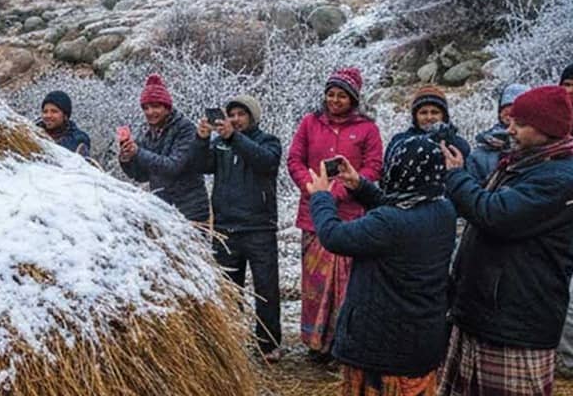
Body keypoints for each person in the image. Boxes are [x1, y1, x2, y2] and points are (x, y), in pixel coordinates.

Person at [440, 85, 573, 396]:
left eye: (520, 124)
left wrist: (456, 176)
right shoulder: (530, 161)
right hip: (491, 312)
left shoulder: (560, 179)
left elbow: (495, 214)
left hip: (516, 322)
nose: (510, 129)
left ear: (547, 128)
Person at [307, 134, 455, 396]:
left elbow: (333, 236)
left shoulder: (388, 223)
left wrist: (321, 197)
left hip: (381, 349)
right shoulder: (443, 211)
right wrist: (360, 185)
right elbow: (402, 208)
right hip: (420, 344)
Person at [286, 67, 384, 363]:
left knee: (347, 284)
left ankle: (343, 342)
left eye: (342, 96)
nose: (335, 100)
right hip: (313, 216)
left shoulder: (367, 129)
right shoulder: (309, 123)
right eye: (331, 94)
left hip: (350, 217)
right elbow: (294, 159)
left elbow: (373, 167)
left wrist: (339, 191)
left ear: (353, 98)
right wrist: (312, 188)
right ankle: (316, 343)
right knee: (315, 282)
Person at [194, 94, 284, 360]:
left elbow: (265, 162)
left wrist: (234, 137)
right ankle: (232, 343)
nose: (234, 119)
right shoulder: (220, 144)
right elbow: (201, 166)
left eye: (240, 114)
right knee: (228, 289)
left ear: (252, 117)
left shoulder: (269, 142)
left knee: (266, 288)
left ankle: (269, 344)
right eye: (231, 115)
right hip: (225, 227)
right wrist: (200, 140)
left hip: (259, 227)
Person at [118, 73, 208, 223]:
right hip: (163, 209)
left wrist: (138, 152)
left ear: (167, 108)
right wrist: (126, 159)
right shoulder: (147, 134)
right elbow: (141, 176)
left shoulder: (185, 129)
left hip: (191, 211)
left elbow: (173, 166)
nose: (150, 112)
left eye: (155, 106)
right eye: (146, 108)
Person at [387, 84, 471, 168]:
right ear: (415, 117)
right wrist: (430, 140)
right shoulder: (400, 140)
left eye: (435, 112)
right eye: (423, 112)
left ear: (444, 116)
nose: (429, 117)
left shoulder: (457, 143)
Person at [465, 84, 528, 184]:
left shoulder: (539, 150)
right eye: (506, 109)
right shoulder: (478, 155)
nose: (510, 113)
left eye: (515, 109)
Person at [36, 90, 92, 160]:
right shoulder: (32, 134)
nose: (48, 115)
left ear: (65, 115)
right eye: (45, 111)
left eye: (54, 111)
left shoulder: (77, 141)